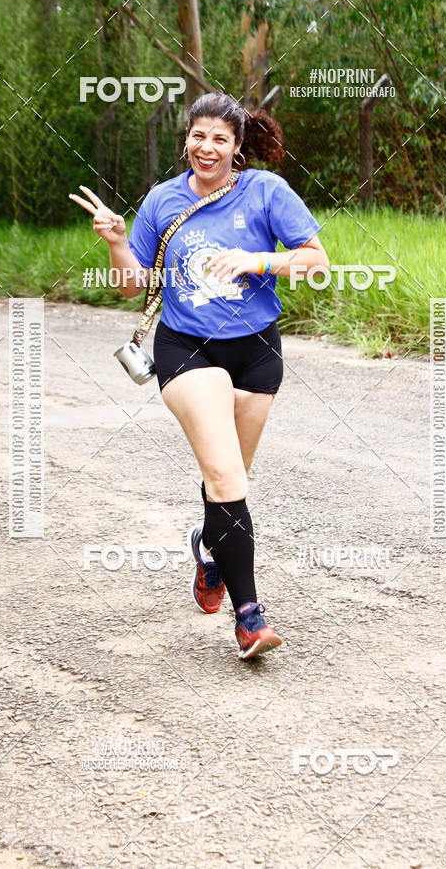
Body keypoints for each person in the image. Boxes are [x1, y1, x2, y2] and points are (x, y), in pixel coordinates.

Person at [70, 90, 329, 659]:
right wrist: (117, 243)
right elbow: (131, 286)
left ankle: (209, 551)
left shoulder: (265, 191)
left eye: (219, 139)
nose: (206, 147)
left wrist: (257, 260)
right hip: (188, 348)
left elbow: (316, 260)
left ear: (238, 147)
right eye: (197, 136)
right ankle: (250, 618)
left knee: (228, 479)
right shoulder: (162, 201)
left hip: (258, 350)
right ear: (185, 138)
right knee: (228, 478)